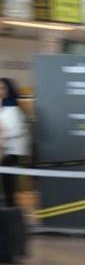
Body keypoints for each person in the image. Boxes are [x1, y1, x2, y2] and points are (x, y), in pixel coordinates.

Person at [0, 78, 30, 208]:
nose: (0, 91)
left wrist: (3, 134)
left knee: (8, 183)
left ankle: (10, 208)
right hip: (4, 149)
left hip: (10, 151)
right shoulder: (3, 107)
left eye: (2, 88)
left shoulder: (13, 109)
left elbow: (17, 130)